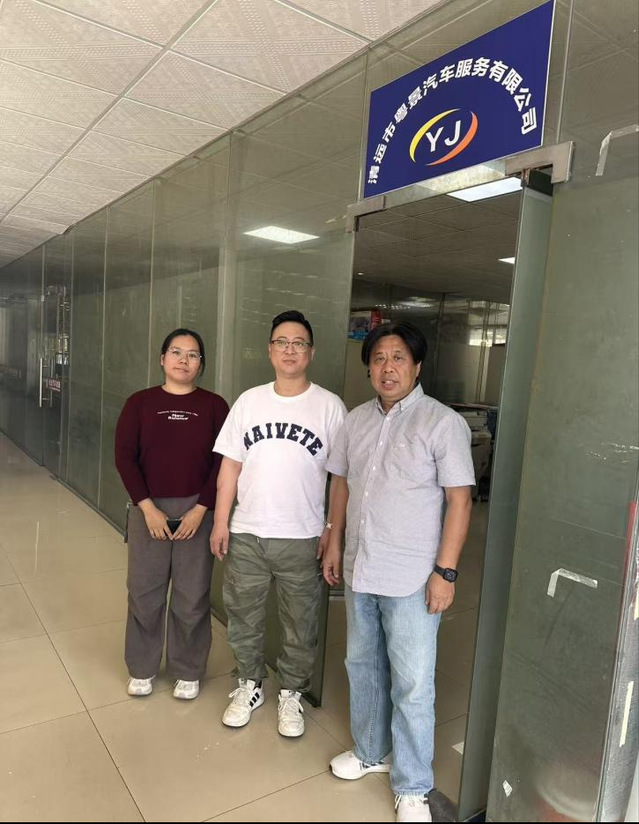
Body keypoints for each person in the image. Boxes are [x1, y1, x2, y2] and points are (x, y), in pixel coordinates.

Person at [322, 321, 474, 823]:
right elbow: (341, 484)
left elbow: (459, 501)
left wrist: (445, 573)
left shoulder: (442, 422)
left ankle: (412, 785)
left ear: (417, 366)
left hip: (412, 576)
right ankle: (371, 752)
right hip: (361, 567)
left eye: (398, 358)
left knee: (412, 682)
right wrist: (333, 539)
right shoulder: (356, 420)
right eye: (379, 359)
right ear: (369, 367)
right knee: (362, 665)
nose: (388, 368)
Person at [211, 310, 346, 737]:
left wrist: (332, 531)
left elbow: (340, 479)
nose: (290, 350)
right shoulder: (249, 401)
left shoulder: (330, 406)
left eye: (298, 343)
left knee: (300, 623)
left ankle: (291, 692)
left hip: (303, 537)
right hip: (247, 533)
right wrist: (220, 522)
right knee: (243, 617)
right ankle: (249, 684)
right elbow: (230, 468)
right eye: (282, 342)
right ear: (270, 350)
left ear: (311, 352)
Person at [115, 328, 228, 700]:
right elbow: (124, 458)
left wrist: (201, 509)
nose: (184, 360)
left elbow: (223, 463)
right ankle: (142, 667)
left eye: (193, 354)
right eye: (176, 352)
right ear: (162, 358)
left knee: (192, 594)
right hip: (148, 508)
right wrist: (147, 508)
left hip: (198, 509)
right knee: (144, 592)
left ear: (201, 364)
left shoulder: (215, 406)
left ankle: (188, 669)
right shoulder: (139, 403)